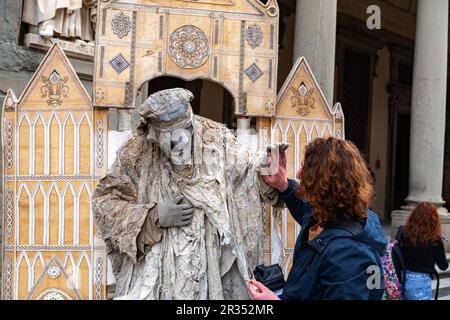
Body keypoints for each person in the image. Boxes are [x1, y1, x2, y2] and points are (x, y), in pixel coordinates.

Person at [92, 88, 281, 300]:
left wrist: (265, 169)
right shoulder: (136, 152)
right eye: (170, 138)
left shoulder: (215, 136)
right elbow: (105, 202)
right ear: (154, 135)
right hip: (157, 273)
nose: (181, 142)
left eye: (186, 131)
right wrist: (153, 216)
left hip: (209, 270)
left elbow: (246, 169)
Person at [248, 137, 388, 300]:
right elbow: (304, 208)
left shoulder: (350, 254)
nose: (299, 175)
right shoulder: (331, 215)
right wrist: (283, 185)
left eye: (304, 170)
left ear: (323, 183)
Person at [396, 202, 449, 300]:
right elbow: (443, 266)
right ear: (434, 220)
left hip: (401, 277)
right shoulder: (434, 239)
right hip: (420, 281)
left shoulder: (404, 233)